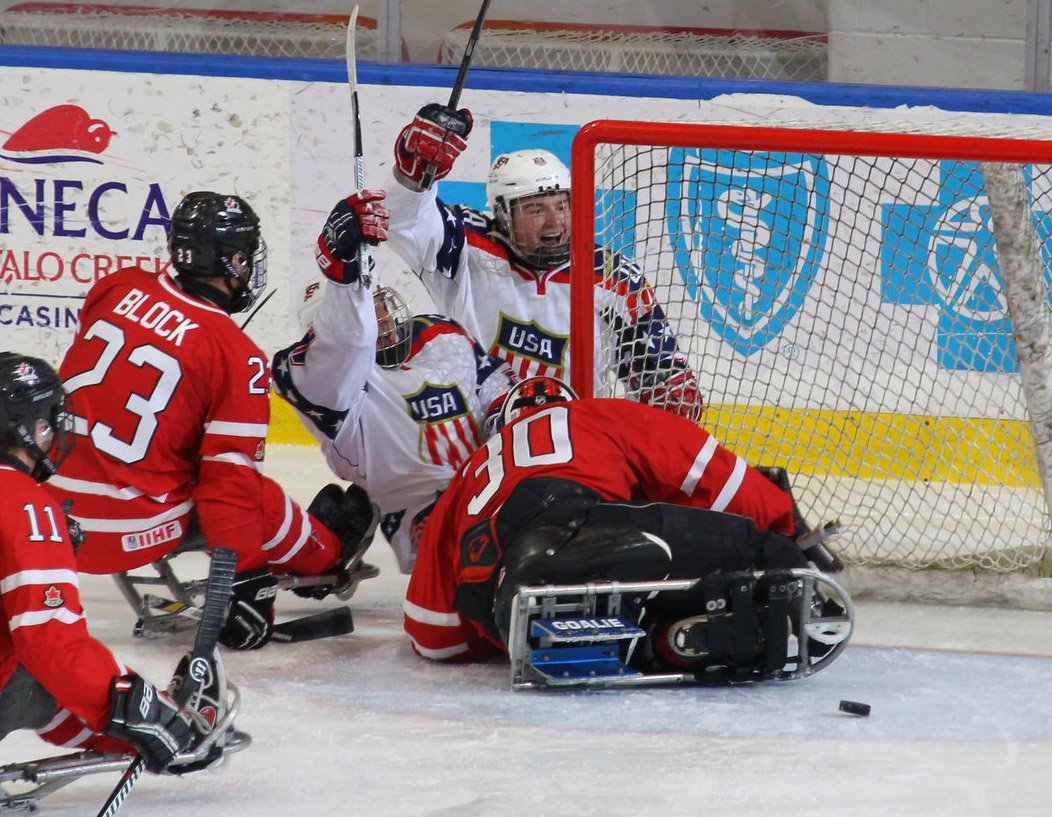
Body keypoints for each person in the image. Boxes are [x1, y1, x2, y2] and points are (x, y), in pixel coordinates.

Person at [47, 192, 369, 651]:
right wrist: (246, 583)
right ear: (234, 260)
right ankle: (325, 557)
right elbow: (230, 491)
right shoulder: (236, 356)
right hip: (125, 532)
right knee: (247, 489)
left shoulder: (116, 287)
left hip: (53, 522)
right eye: (247, 254)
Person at [403, 376, 831, 668]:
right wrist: (777, 529)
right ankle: (675, 621)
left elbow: (432, 632)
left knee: (633, 586)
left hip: (490, 578)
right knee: (752, 555)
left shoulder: (468, 474)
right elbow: (706, 471)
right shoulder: (593, 414)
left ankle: (658, 641)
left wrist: (493, 635)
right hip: (574, 521)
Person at [385, 103, 703, 422]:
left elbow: (668, 378)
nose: (555, 224)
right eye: (536, 210)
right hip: (476, 440)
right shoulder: (466, 246)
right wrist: (414, 170)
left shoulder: (613, 277)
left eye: (562, 206)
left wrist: (670, 393)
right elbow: (403, 219)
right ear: (503, 215)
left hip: (574, 446)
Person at [272, 190, 516, 574]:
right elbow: (347, 341)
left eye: (379, 306)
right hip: (422, 512)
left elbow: (495, 387)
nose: (380, 322)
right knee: (476, 566)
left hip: (496, 483)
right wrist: (342, 273)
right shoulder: (325, 384)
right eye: (367, 314)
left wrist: (514, 412)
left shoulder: (441, 334)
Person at [0, 353, 200, 773]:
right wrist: (140, 705)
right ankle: (142, 734)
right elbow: (53, 647)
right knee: (39, 673)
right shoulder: (27, 507)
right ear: (27, 427)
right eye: (49, 418)